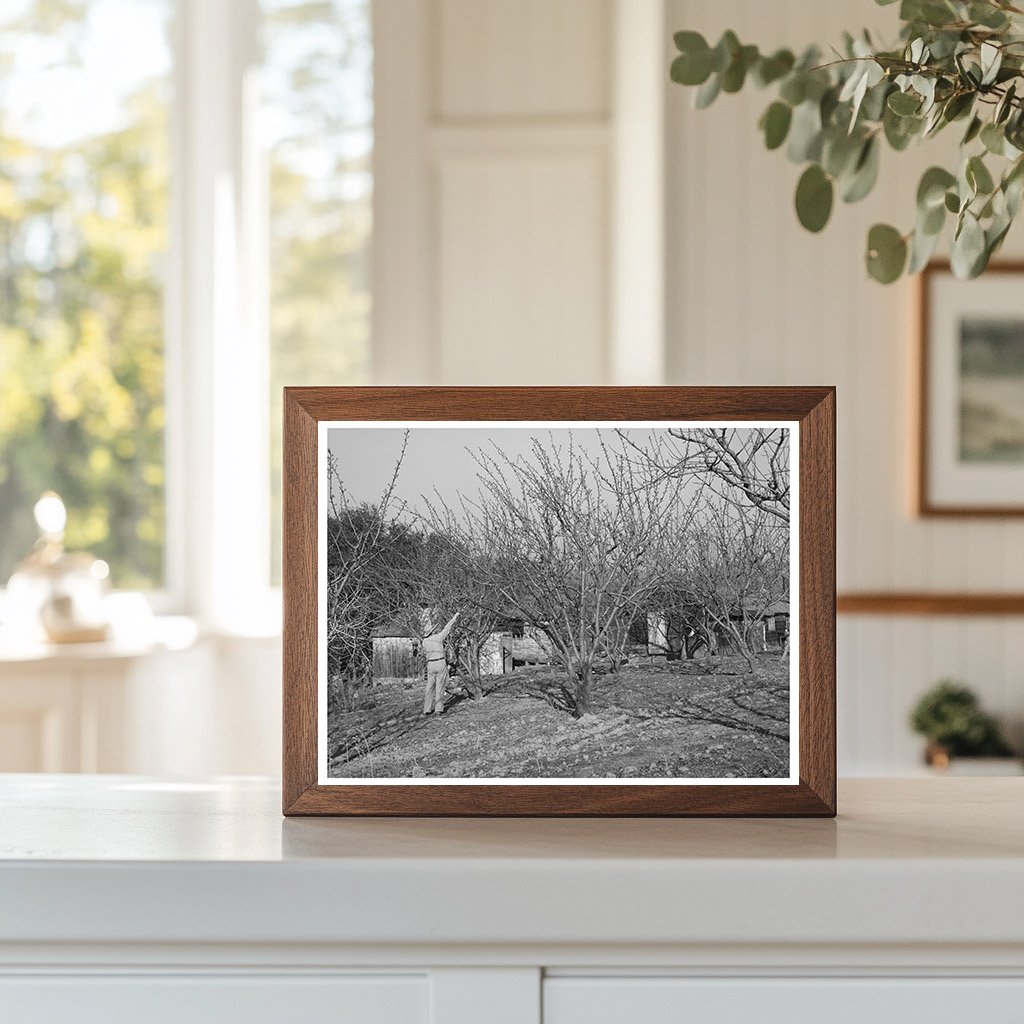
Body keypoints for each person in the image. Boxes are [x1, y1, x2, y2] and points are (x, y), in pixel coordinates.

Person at [422, 610, 459, 715]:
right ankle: (438, 709)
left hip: (430, 664)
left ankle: (427, 709)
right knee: (440, 686)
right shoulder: (438, 638)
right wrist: (455, 617)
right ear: (432, 632)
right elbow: (447, 628)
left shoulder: (424, 642)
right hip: (440, 662)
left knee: (429, 687)